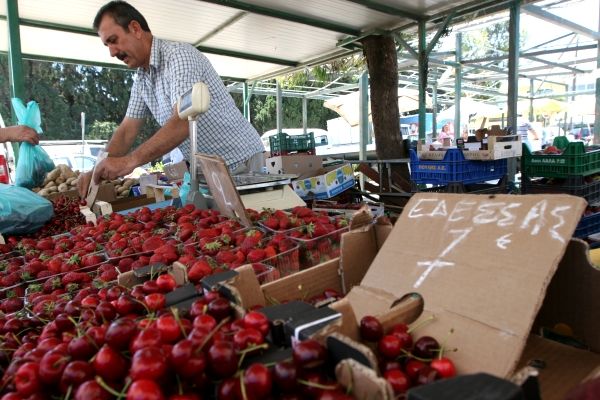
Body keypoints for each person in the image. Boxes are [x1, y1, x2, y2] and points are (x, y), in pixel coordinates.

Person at [78, 0, 265, 197]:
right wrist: (95, 171)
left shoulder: (179, 56)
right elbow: (126, 131)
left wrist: (130, 161)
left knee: (248, 224)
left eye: (114, 40)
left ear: (135, 29)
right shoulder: (142, 79)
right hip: (210, 169)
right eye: (107, 45)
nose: (112, 52)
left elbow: (183, 121)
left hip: (241, 161)